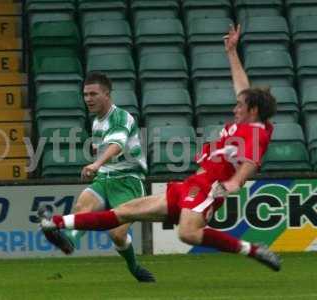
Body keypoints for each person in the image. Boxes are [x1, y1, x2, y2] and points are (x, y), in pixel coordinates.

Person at [39, 25, 281, 272]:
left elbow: (250, 162)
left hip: (209, 189)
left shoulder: (255, 132)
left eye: (239, 105)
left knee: (187, 233)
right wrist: (231, 52)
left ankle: (252, 250)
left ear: (252, 111)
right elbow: (243, 89)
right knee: (123, 212)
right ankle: (54, 223)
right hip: (192, 184)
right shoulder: (248, 119)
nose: (234, 108)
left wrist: (234, 183)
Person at [39, 71, 155, 282]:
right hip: (105, 178)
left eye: (93, 94)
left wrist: (96, 163)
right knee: (82, 206)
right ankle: (69, 241)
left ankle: (134, 267)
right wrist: (99, 165)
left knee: (117, 235)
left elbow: (116, 145)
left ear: (107, 95)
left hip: (128, 180)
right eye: (85, 94)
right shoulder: (96, 121)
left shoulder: (121, 117)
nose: (88, 99)